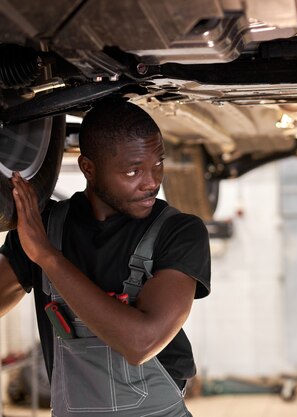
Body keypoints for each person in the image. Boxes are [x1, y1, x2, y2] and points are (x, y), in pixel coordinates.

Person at [0, 100, 211, 417]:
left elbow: (140, 342)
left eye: (158, 165)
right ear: (88, 168)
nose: (152, 181)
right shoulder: (43, 227)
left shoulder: (178, 232)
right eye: (133, 170)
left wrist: (47, 256)